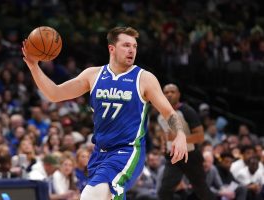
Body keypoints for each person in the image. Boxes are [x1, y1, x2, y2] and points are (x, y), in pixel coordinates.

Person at [22, 26, 188, 200]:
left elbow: (169, 112)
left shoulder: (144, 78)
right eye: (126, 45)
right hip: (99, 154)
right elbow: (55, 94)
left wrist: (181, 135)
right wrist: (34, 67)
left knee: (90, 196)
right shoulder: (93, 75)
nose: (132, 50)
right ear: (112, 49)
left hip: (127, 151)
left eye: (134, 46)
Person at [157, 83, 215, 200]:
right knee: (164, 191)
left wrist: (178, 139)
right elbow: (165, 133)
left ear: (178, 94)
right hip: (173, 156)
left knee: (201, 190)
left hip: (191, 155)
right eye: (166, 92)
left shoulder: (187, 111)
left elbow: (200, 137)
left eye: (172, 92)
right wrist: (163, 145)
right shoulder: (161, 113)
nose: (169, 94)